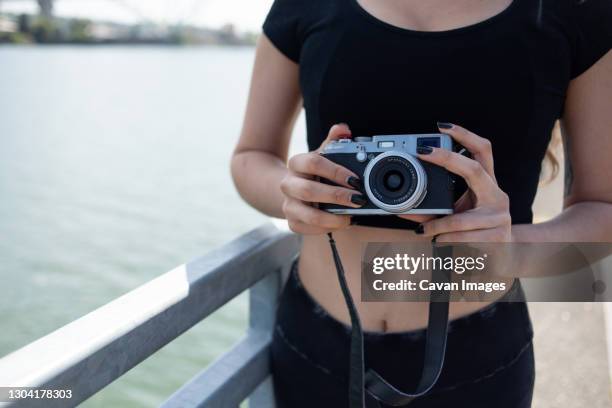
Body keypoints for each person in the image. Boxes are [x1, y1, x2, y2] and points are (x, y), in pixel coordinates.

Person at [231, 0, 612, 406]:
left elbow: (602, 208)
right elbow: (250, 156)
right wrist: (294, 193)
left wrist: (509, 251)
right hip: (314, 344)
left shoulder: (578, 10)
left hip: (479, 360)